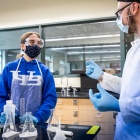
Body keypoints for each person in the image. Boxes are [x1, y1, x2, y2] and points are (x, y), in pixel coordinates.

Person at [86, 0, 140, 140]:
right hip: (126, 133)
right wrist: (102, 76)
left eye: (119, 12)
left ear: (134, 8)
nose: (119, 18)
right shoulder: (135, 48)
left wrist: (118, 105)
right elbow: (130, 87)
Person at [0, 31, 57, 124]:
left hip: (36, 122)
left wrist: (38, 117)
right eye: (31, 42)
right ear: (23, 46)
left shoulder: (44, 71)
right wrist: (4, 112)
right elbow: (1, 94)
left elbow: (50, 98)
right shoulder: (10, 68)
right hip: (12, 121)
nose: (36, 45)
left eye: (39, 43)